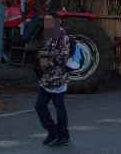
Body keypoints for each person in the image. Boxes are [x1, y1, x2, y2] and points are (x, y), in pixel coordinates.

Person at [35, 15, 71, 146]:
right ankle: (52, 131)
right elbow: (42, 52)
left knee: (59, 108)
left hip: (58, 78)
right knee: (39, 106)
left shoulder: (63, 37)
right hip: (46, 78)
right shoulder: (49, 36)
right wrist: (43, 59)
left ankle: (63, 135)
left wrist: (47, 59)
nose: (47, 24)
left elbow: (62, 57)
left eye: (49, 21)